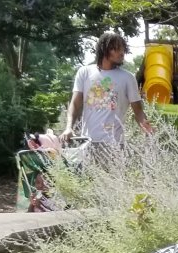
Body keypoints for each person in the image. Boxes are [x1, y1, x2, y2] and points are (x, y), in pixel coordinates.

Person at [63, 31, 154, 163]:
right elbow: (75, 104)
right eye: (116, 49)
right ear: (104, 49)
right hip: (87, 142)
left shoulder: (128, 78)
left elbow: (138, 110)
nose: (121, 52)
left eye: (123, 49)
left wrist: (146, 127)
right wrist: (68, 127)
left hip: (115, 145)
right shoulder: (84, 72)